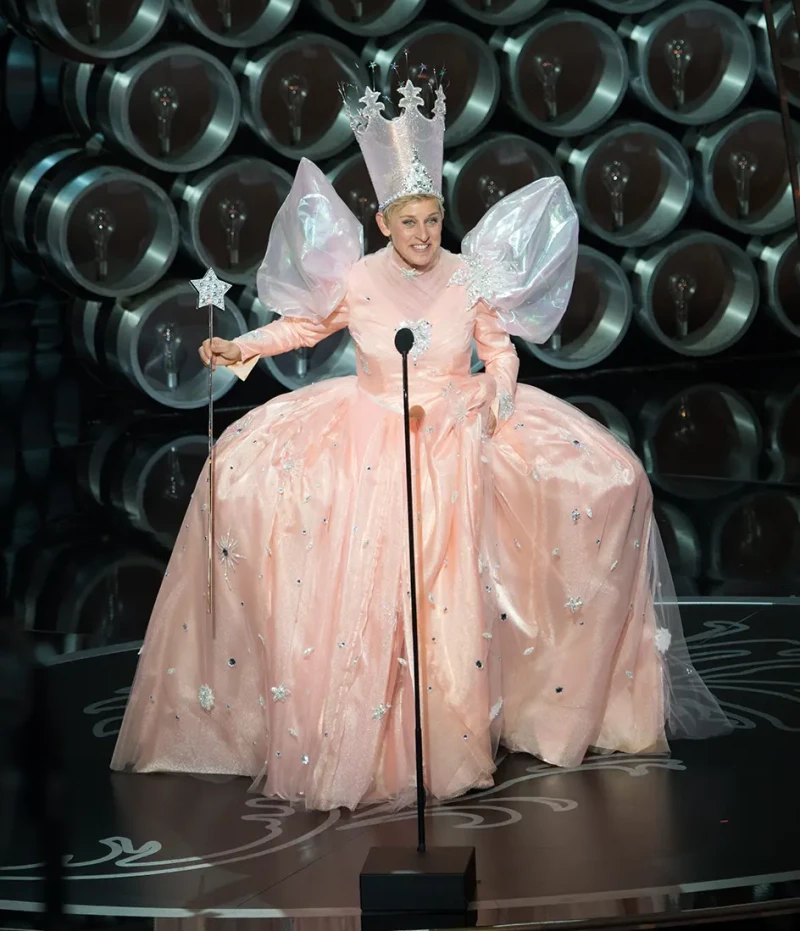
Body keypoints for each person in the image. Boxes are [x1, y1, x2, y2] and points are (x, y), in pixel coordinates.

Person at [111, 77, 729, 811]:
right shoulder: (359, 278)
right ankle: (381, 731)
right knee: (280, 497)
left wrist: (496, 392)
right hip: (373, 425)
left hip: (460, 420)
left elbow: (500, 351)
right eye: (410, 221)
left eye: (433, 219)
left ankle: (531, 704)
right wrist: (238, 345)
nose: (424, 234)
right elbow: (304, 329)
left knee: (610, 477)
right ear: (382, 221)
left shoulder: (468, 275)